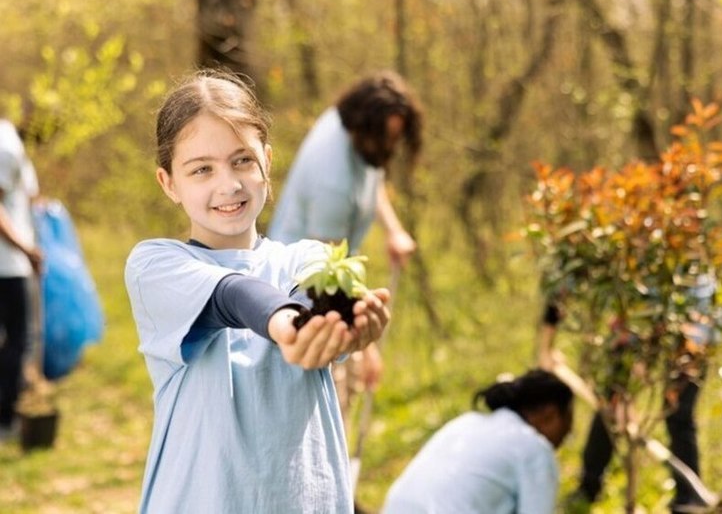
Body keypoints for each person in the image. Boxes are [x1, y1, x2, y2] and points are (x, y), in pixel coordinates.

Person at [124, 69, 391, 514]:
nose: (227, 184)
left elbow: (316, 291)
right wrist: (287, 325)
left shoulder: (305, 256)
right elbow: (232, 295)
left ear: (267, 160)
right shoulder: (155, 265)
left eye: (242, 160)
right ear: (168, 183)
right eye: (201, 170)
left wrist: (350, 324)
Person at [268, 70, 424, 427]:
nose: (390, 149)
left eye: (395, 139)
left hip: (328, 277)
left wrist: (394, 231)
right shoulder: (332, 181)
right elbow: (329, 280)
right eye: (386, 140)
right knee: (328, 401)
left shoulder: (351, 129)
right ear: (364, 128)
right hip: (302, 294)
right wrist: (366, 347)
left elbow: (373, 176)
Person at [538, 278, 714, 514]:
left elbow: (695, 321)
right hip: (632, 327)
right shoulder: (620, 253)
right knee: (609, 404)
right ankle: (588, 488)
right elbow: (564, 284)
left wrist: (639, 371)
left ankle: (690, 499)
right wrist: (545, 348)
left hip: (690, 333)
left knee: (679, 414)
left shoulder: (695, 270)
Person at [381, 368, 574, 514]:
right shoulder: (535, 448)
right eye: (567, 423)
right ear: (550, 415)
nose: (568, 434)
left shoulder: (467, 422)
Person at [0, 117, 43, 440]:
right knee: (17, 340)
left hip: (13, 263)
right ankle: (6, 418)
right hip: (7, 265)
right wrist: (26, 249)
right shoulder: (6, 144)